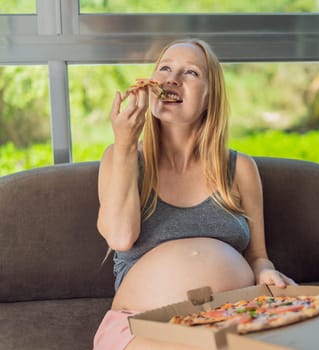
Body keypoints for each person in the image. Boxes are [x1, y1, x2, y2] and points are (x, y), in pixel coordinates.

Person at [93, 38, 296, 350]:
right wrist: (123, 144)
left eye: (190, 73)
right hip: (145, 325)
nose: (172, 79)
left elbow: (258, 256)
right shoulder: (120, 158)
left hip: (235, 318)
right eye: (165, 68)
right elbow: (120, 237)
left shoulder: (240, 168)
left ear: (209, 96)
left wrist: (267, 271)